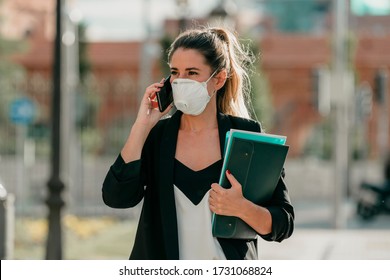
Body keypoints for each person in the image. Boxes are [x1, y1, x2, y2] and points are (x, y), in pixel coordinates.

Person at [102, 26, 294, 260]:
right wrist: (142, 126)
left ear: (219, 79)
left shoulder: (246, 134)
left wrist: (241, 207)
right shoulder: (157, 136)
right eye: (175, 72)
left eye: (192, 73)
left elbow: (283, 223)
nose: (181, 81)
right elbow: (116, 197)